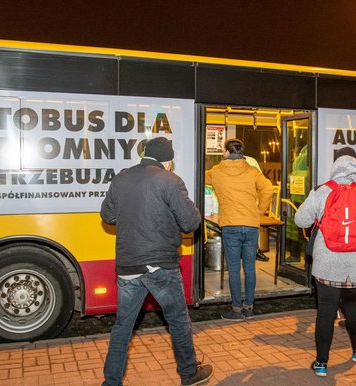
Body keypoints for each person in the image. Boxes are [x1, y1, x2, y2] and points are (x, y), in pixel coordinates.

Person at [100, 137, 213, 386]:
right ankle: (189, 373)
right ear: (168, 160)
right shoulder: (170, 180)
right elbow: (190, 223)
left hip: (128, 266)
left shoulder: (122, 177)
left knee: (123, 327)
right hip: (160, 265)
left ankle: (111, 382)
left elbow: (107, 215)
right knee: (178, 321)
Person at [294, 154, 356, 377]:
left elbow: (300, 221)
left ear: (335, 169)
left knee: (325, 313)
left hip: (327, 266)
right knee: (354, 309)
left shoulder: (322, 191)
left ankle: (321, 362)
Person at [205, 138, 273, 320]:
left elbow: (201, 176)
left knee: (234, 269)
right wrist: (259, 211)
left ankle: (236, 309)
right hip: (250, 225)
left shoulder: (217, 172)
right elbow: (268, 189)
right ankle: (249, 307)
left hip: (230, 226)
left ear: (227, 152)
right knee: (249, 268)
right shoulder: (252, 171)